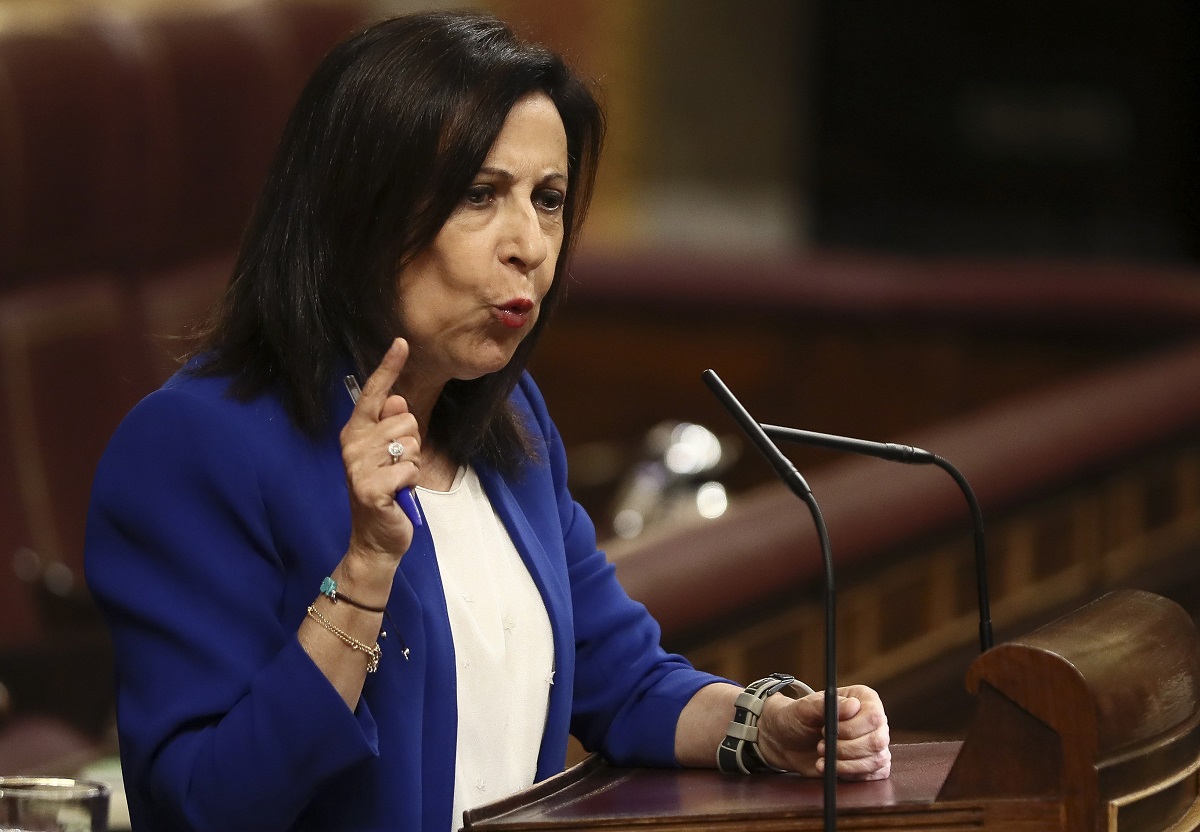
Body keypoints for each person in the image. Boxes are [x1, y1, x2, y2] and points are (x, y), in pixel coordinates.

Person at [84, 11, 890, 832]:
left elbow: (622, 679)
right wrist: (363, 573)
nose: (530, 246)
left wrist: (766, 728)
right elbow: (197, 807)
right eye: (480, 195)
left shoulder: (512, 426)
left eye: (548, 201)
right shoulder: (196, 447)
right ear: (358, 212)